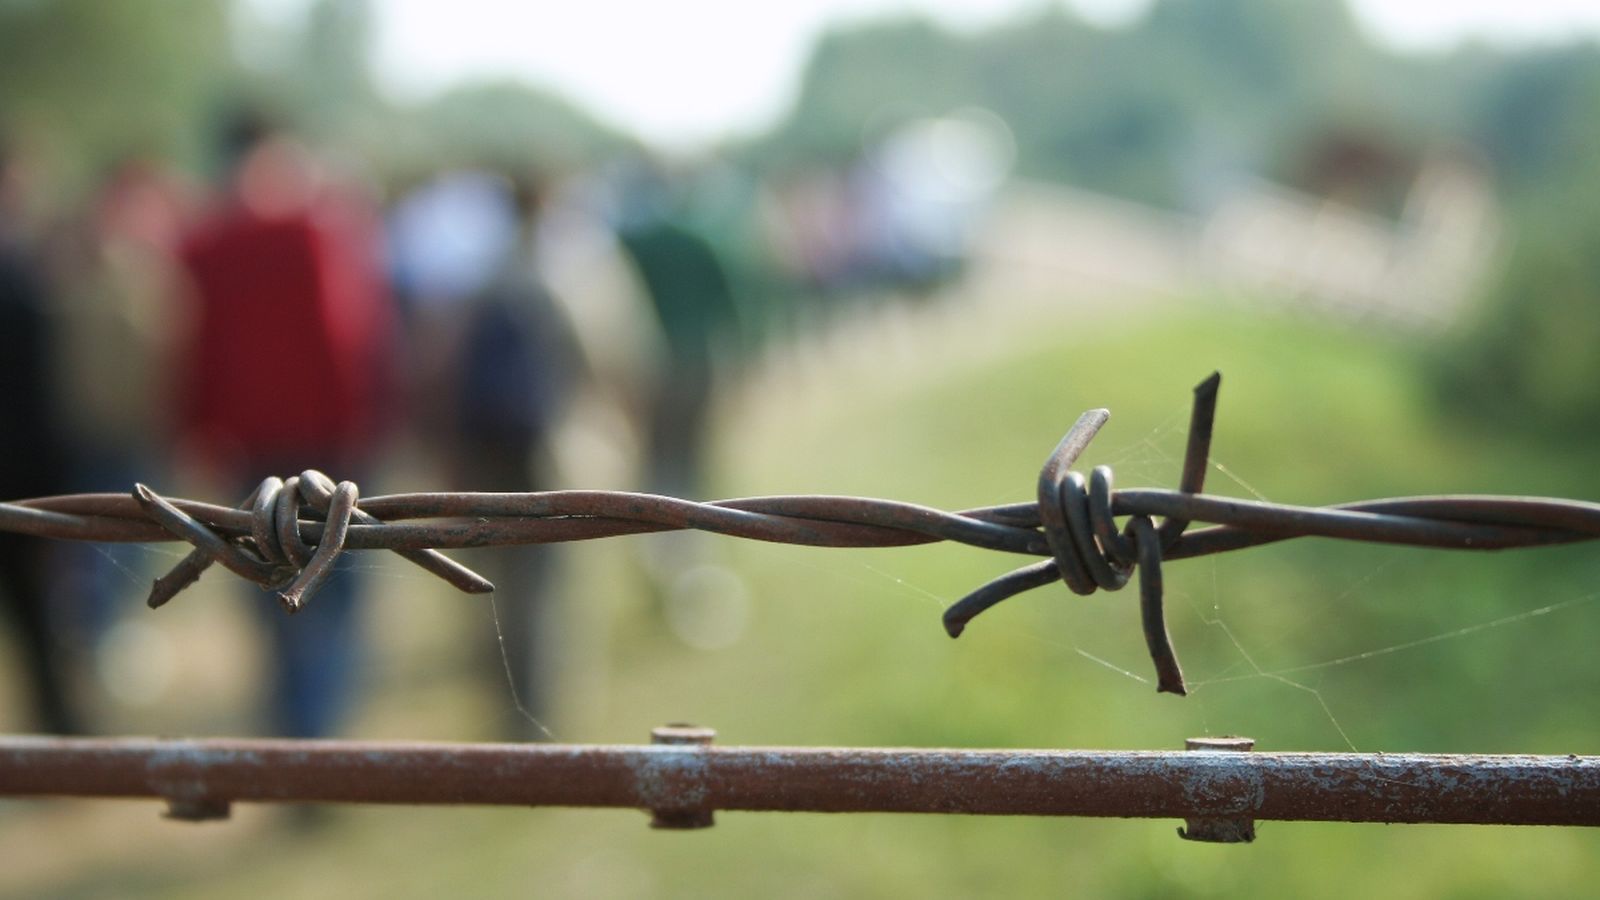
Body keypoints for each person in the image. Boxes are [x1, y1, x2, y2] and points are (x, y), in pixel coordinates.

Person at [175, 109, 395, 738]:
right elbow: (348, 333)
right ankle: (319, 728)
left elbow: (196, 348)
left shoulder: (207, 237)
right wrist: (370, 418)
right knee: (338, 580)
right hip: (332, 437)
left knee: (268, 577)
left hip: (251, 441)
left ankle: (294, 721)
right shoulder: (319, 226)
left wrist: (198, 427)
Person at [0, 132, 78, 733]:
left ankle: (61, 738)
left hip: (24, 485)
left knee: (40, 627)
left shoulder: (27, 271)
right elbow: (43, 395)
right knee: (38, 624)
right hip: (23, 486)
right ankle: (63, 738)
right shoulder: (24, 277)